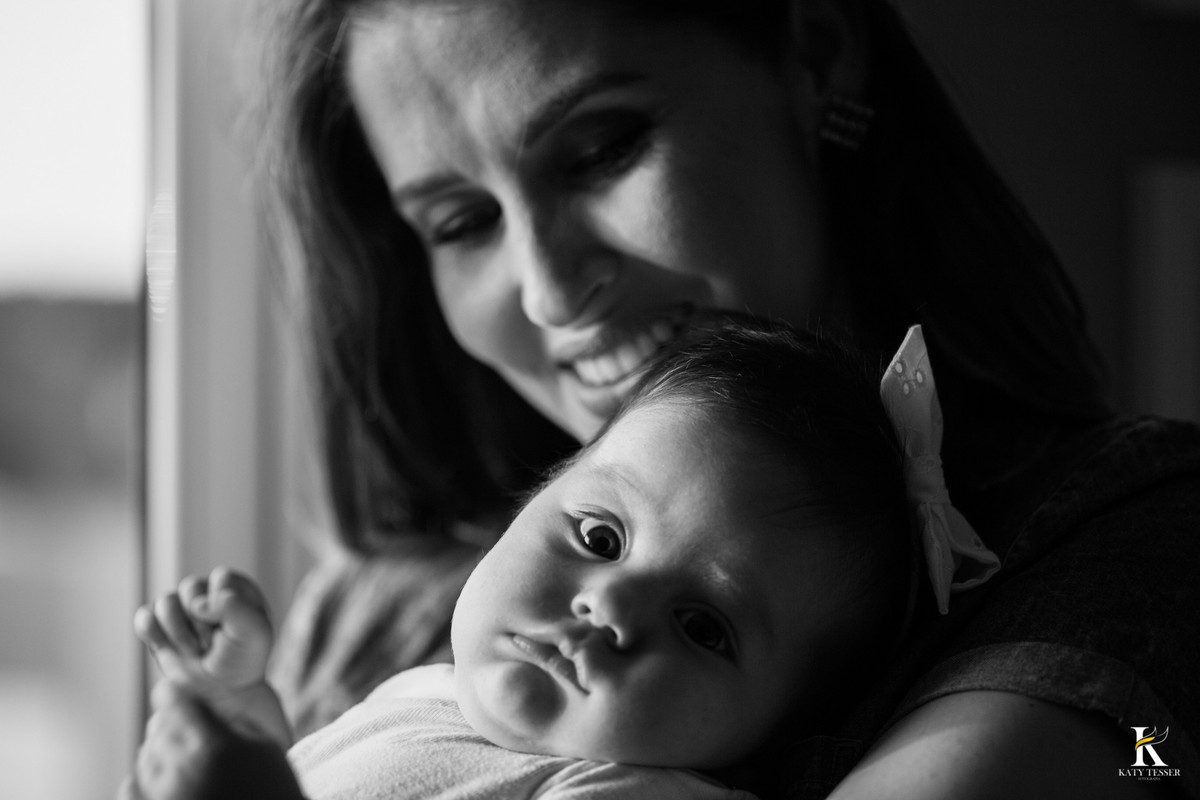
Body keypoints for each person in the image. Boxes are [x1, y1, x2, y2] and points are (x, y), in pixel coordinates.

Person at [143, 0, 1200, 797]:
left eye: (602, 147)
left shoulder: (1127, 541)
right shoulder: (366, 610)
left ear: (815, 51)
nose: (551, 289)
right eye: (461, 220)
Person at [128, 320, 985, 799]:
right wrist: (238, 715)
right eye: (600, 538)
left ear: (773, 731)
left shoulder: (624, 792)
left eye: (702, 626)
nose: (609, 609)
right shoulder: (429, 692)